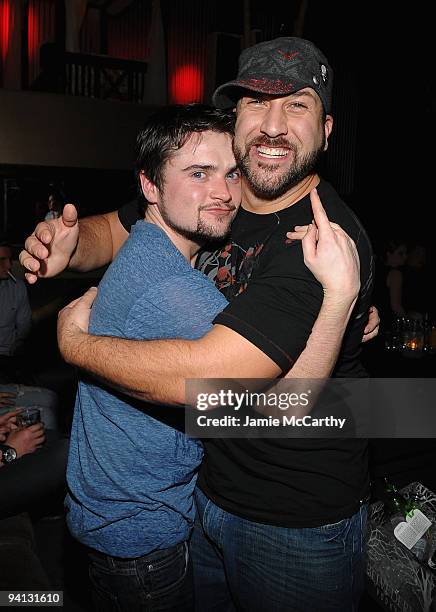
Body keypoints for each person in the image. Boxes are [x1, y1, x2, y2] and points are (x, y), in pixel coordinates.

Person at [21, 38, 376, 612]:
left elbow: (222, 387)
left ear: (328, 129)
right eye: (257, 105)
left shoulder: (320, 243)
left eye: (298, 105)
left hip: (290, 517)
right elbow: (117, 227)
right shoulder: (220, 201)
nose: (273, 125)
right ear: (235, 119)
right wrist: (68, 243)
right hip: (202, 496)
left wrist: (77, 345)